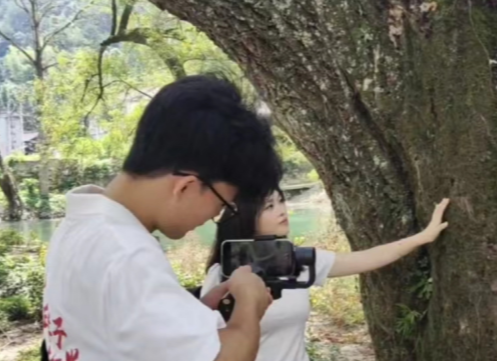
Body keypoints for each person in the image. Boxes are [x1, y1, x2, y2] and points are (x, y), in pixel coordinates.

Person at [42, 75, 284, 361]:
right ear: (186, 186)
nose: (213, 217)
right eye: (223, 204)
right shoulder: (128, 253)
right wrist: (249, 304)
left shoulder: (78, 224)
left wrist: (190, 313)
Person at [201, 189, 450, 361]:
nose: (281, 210)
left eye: (281, 201)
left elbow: (363, 259)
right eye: (269, 205)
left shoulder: (299, 261)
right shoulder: (222, 276)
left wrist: (423, 237)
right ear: (245, 215)